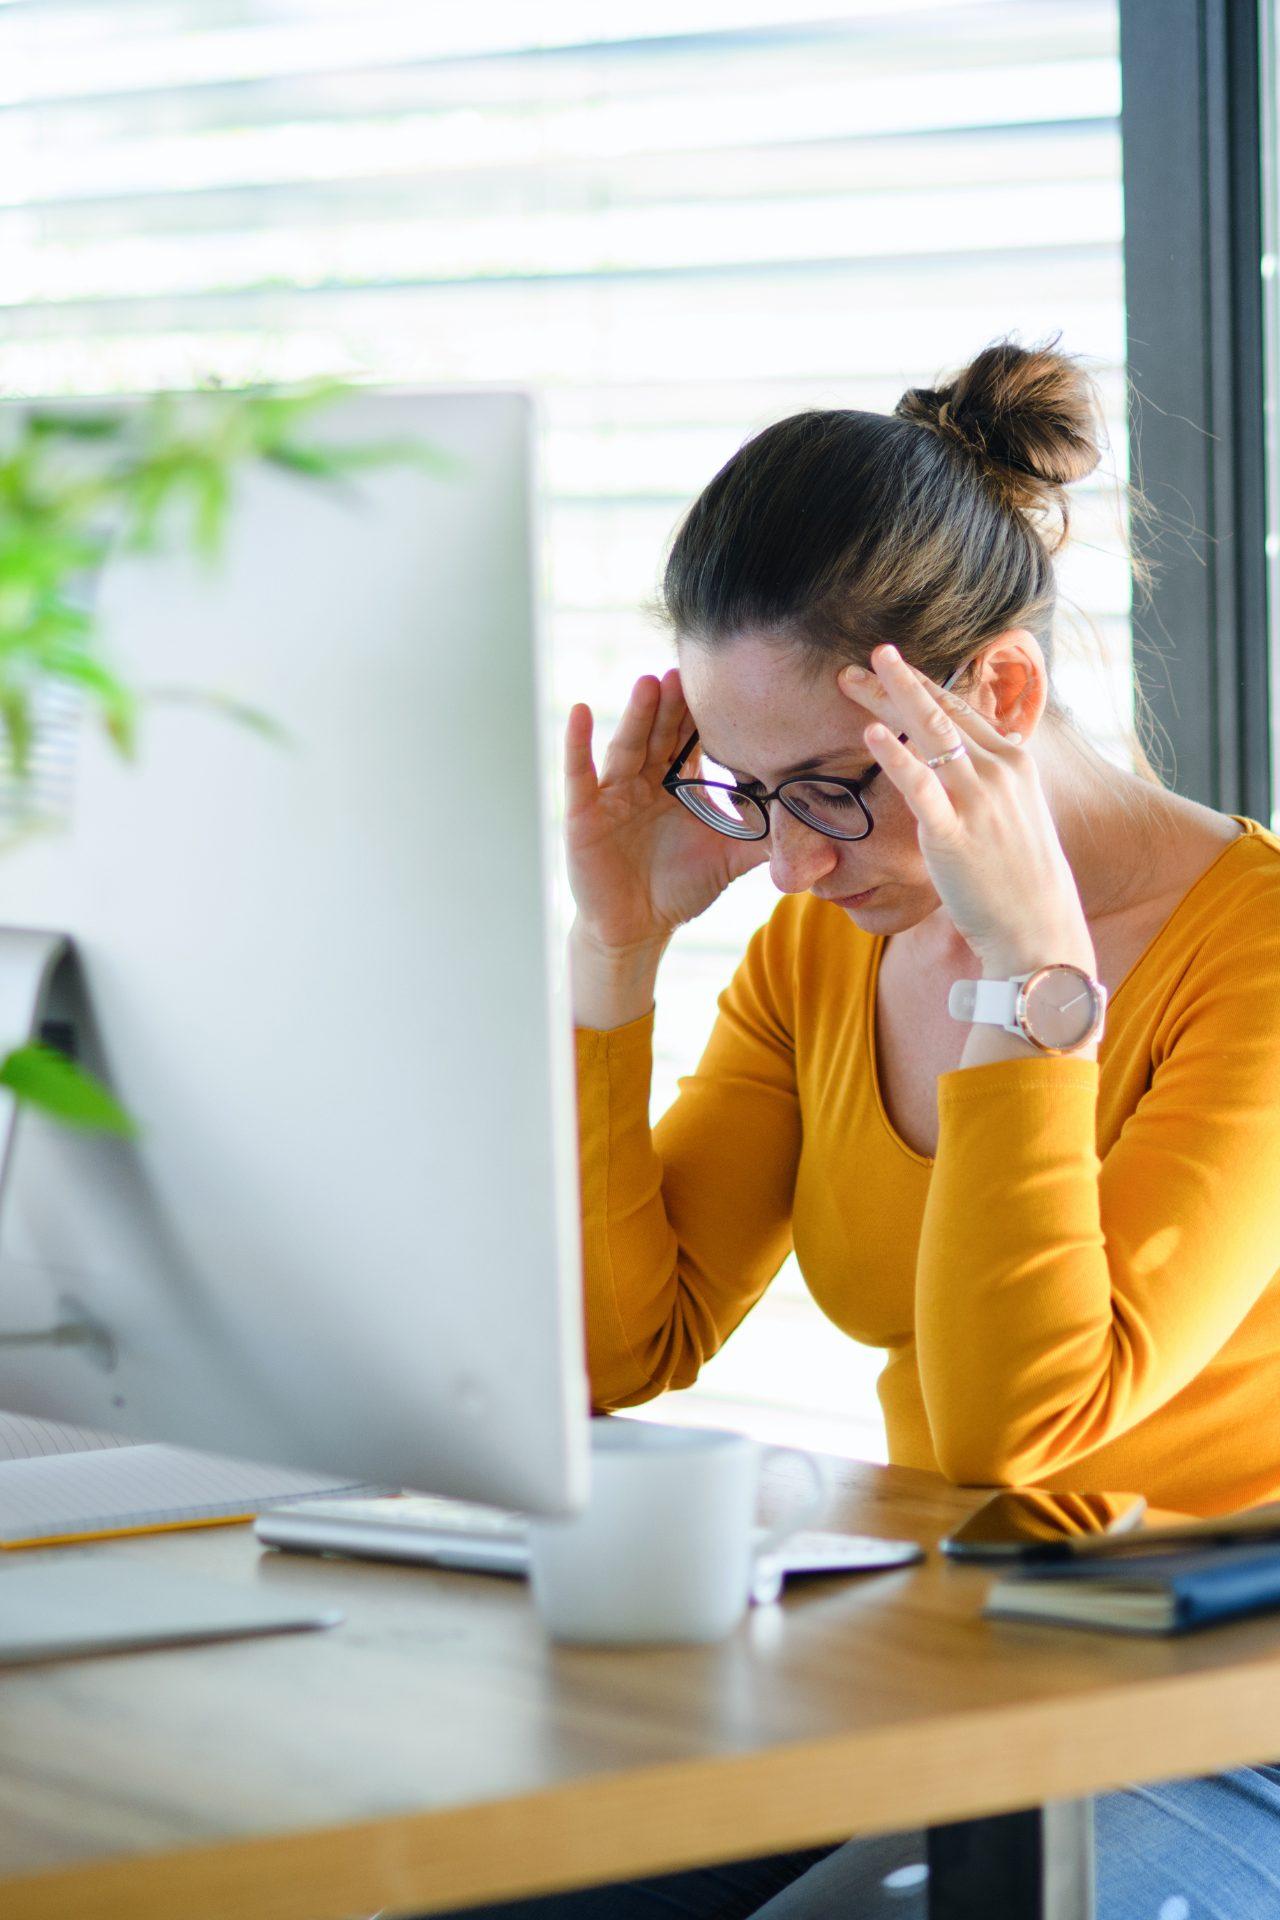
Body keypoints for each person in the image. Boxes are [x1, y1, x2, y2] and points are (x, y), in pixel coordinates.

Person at [466, 341, 1280, 1917]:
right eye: (747, 791)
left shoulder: (1256, 957)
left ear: (1004, 696)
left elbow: (1017, 1436)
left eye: (834, 787)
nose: (790, 865)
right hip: (964, 1675)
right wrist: (615, 955)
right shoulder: (821, 945)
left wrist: (1027, 990)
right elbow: (614, 1352)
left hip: (1225, 1721)